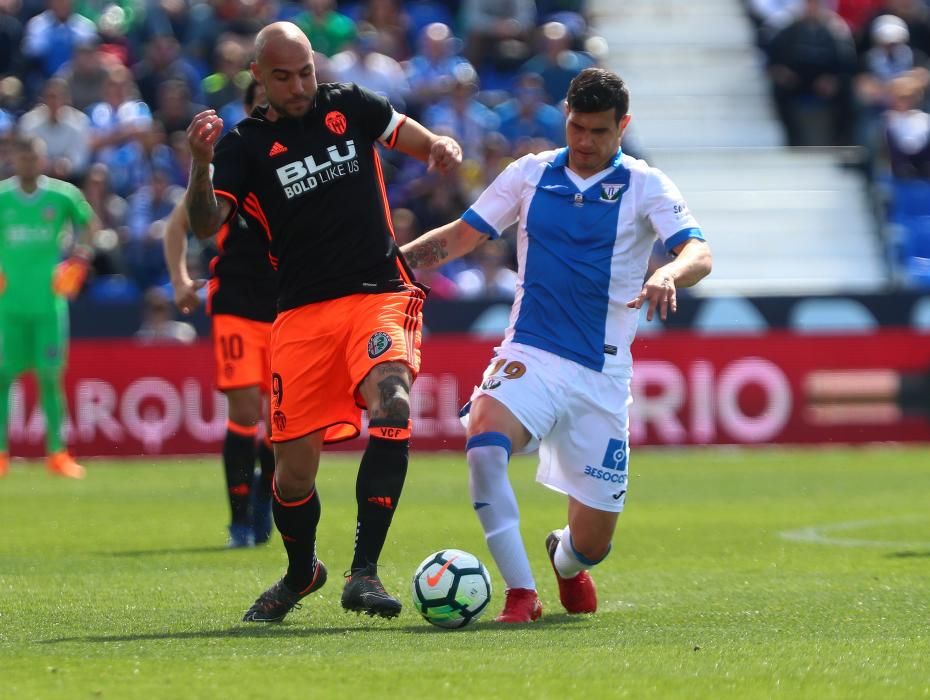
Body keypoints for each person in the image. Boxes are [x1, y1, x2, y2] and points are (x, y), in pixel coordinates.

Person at [400, 67, 713, 623]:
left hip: (602, 373)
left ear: (623, 126)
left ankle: (565, 560)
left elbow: (698, 251)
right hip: (531, 353)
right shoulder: (529, 174)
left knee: (593, 543)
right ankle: (522, 593)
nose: (584, 142)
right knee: (484, 442)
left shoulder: (647, 185)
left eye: (598, 131)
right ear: (564, 117)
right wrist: (392, 265)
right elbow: (461, 236)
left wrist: (670, 274)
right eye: (576, 127)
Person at [184, 21, 462, 622]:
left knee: (393, 403)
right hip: (301, 315)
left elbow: (408, 135)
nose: (299, 85)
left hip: (379, 294)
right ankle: (301, 570)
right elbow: (206, 225)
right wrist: (200, 166)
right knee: (292, 472)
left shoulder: (349, 105)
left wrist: (437, 143)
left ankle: (364, 572)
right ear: (257, 76)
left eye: (305, 71)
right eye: (283, 76)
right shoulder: (243, 146)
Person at [164, 79, 280, 549]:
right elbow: (178, 226)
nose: (269, 111)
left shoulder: (298, 160)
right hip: (235, 302)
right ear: (250, 107)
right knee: (246, 409)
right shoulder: (233, 160)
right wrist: (178, 281)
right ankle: (239, 520)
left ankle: (263, 500)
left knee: (282, 421)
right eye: (261, 104)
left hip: (287, 308)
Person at [0, 136, 99, 479]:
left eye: (33, 157)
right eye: (22, 157)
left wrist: (80, 258)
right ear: (14, 160)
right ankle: (1, 455)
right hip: (8, 305)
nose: (28, 163)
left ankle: (57, 452)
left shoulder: (62, 196)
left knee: (49, 378)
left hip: (48, 304)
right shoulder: (2, 197)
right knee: (2, 378)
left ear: (42, 160)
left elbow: (89, 226)